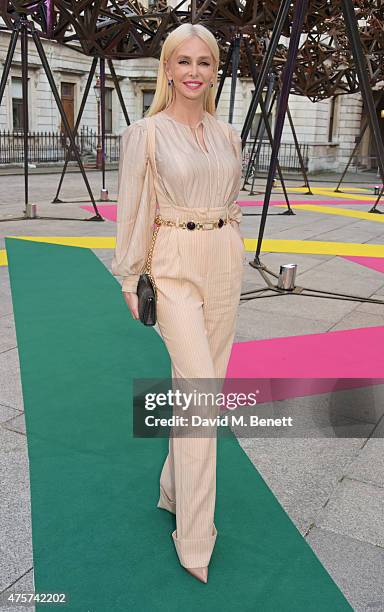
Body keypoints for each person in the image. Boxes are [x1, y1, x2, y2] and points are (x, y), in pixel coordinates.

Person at [111, 22, 245, 584]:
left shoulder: (229, 134)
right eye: (183, 61)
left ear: (216, 70)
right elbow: (134, 207)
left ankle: (171, 487)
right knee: (199, 401)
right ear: (167, 68)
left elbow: (233, 203)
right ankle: (195, 537)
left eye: (205, 62)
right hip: (172, 263)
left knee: (204, 388)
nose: (194, 71)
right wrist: (128, 275)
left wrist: (229, 247)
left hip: (223, 259)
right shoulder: (145, 133)